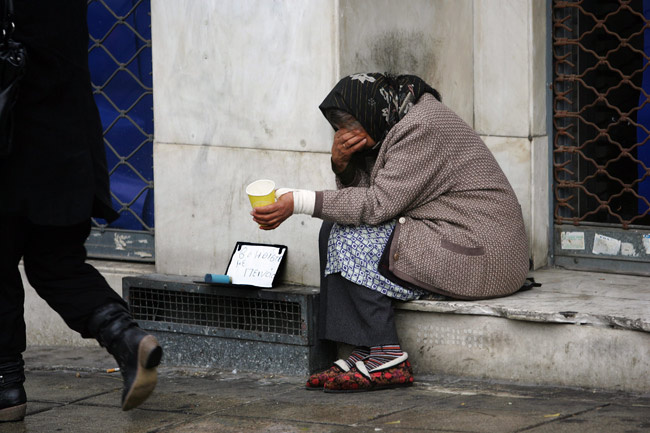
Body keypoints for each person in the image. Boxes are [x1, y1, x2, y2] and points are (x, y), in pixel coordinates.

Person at [251, 72, 529, 392]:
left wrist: (298, 201)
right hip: (451, 237)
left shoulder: (421, 127)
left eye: (350, 127)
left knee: (350, 237)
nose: (345, 137)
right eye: (339, 130)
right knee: (334, 227)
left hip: (485, 252)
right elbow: (369, 199)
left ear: (372, 113)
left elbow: (377, 206)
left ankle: (387, 354)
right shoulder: (395, 119)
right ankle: (363, 350)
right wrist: (343, 164)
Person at [0, 1, 161, 421]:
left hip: (11, 146)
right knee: (57, 264)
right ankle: (127, 338)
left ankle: (5, 387)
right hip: (67, 146)